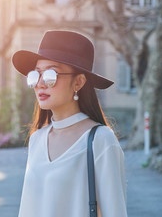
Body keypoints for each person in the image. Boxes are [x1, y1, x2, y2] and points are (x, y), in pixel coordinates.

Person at [12, 30, 127, 217]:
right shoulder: (37, 140)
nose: (40, 83)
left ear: (79, 82)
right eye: (36, 75)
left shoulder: (101, 140)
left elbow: (115, 212)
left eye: (50, 75)